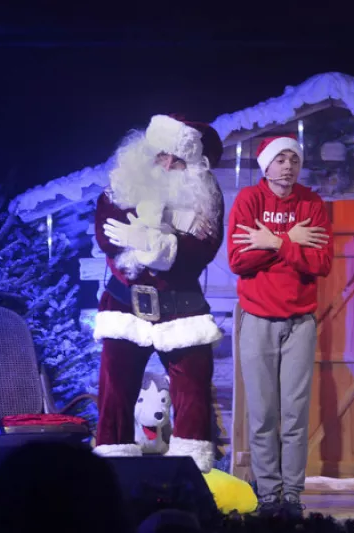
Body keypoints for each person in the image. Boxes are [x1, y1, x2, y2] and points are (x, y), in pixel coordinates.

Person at [91, 114, 225, 473]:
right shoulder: (122, 185)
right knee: (115, 393)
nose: (167, 165)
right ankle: (114, 472)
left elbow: (204, 247)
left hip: (182, 309)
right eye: (160, 156)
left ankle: (192, 476)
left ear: (192, 165)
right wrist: (145, 231)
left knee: (193, 394)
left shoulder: (206, 196)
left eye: (177, 160)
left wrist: (156, 243)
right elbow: (106, 233)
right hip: (125, 305)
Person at [227, 134, 333, 516]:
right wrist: (291, 240)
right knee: (262, 414)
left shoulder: (311, 203)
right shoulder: (249, 201)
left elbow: (320, 263)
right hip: (257, 318)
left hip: (300, 321)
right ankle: (269, 496)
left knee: (294, 414)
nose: (288, 166)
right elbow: (238, 260)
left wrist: (272, 242)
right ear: (266, 166)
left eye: (294, 159)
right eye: (280, 159)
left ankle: (292, 496)